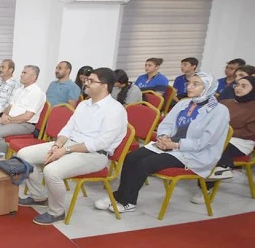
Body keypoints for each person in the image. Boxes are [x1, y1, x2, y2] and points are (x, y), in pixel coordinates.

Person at [97, 72, 229, 214]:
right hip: (171, 145)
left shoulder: (219, 111)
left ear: (208, 88)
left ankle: (128, 201)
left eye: (195, 84)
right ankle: (119, 196)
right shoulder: (184, 103)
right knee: (131, 157)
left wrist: (176, 145)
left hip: (194, 154)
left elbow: (206, 141)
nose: (189, 86)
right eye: (189, 83)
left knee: (145, 164)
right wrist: (163, 136)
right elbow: (167, 123)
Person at [17, 68, 127, 225]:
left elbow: (100, 143)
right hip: (70, 145)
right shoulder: (84, 104)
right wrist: (58, 144)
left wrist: (66, 150)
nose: (86, 83)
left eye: (91, 81)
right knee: (23, 155)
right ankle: (38, 196)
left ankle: (57, 212)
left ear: (104, 86)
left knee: (51, 171)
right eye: (87, 80)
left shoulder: (115, 110)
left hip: (95, 155)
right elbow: (68, 128)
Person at [195, 75, 255, 192]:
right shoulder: (225, 103)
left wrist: (224, 132)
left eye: (244, 86)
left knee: (214, 147)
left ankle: (208, 186)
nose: (238, 88)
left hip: (241, 142)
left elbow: (251, 132)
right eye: (237, 85)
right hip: (218, 136)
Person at [0, 65, 46, 154]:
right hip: (11, 119)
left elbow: (27, 116)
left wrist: (10, 120)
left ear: (33, 77)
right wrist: (4, 115)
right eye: (22, 72)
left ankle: (3, 157)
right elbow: (10, 106)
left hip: (25, 124)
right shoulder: (20, 90)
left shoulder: (36, 93)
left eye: (25, 73)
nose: (21, 75)